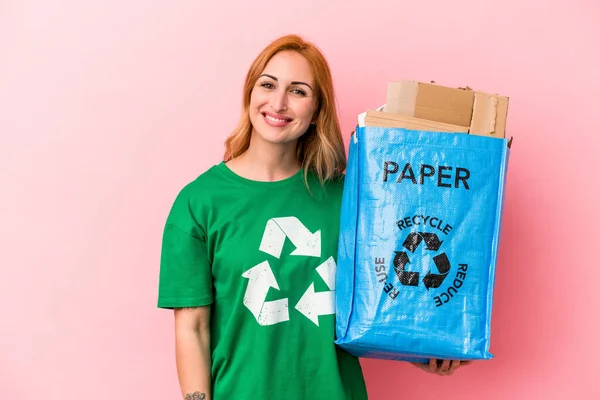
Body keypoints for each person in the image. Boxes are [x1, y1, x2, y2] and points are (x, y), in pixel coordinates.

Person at [157, 34, 468, 400]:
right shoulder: (198, 203)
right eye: (268, 84)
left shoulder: (353, 197)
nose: (278, 102)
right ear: (250, 93)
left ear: (317, 108)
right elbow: (192, 329)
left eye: (298, 91)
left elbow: (384, 297)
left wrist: (421, 343)